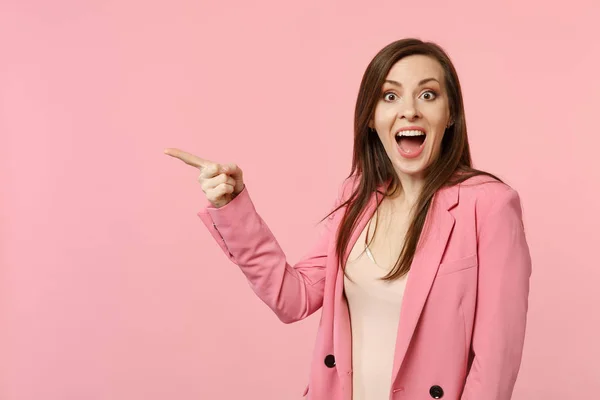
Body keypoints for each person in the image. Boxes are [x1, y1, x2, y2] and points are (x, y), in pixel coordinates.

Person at [164, 38, 532, 400]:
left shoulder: (489, 205)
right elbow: (293, 298)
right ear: (371, 118)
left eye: (428, 94)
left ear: (450, 114)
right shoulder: (357, 196)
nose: (409, 111)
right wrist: (233, 205)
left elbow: (496, 360)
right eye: (390, 96)